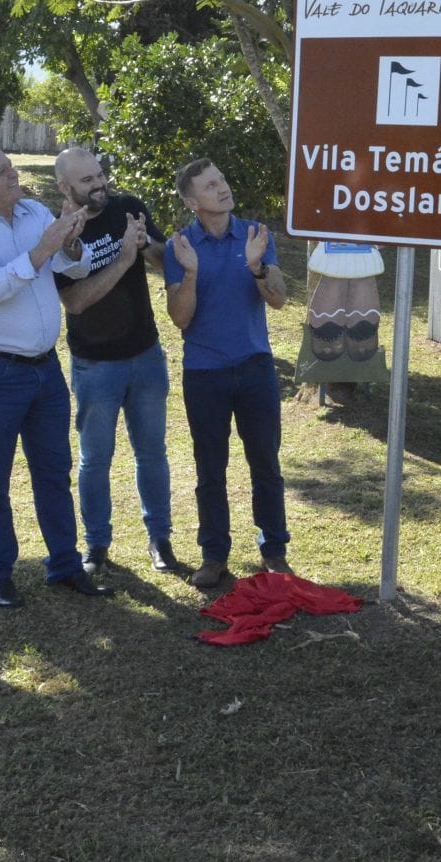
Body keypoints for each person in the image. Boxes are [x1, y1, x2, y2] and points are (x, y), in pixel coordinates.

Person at [0, 143, 112, 607]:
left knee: (54, 471)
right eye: (2, 172)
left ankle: (65, 565)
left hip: (45, 367)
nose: (14, 174)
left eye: (11, 166)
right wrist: (43, 249)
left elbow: (72, 265)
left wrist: (71, 242)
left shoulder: (35, 211)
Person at [165, 158, 291, 589]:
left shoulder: (256, 234)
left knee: (265, 464)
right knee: (210, 470)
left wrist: (258, 267)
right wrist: (191, 272)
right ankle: (214, 555)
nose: (222, 188)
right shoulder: (180, 246)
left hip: (255, 368)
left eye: (222, 179)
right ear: (191, 202)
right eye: (210, 185)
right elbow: (180, 318)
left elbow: (279, 299)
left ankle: (274, 551)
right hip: (204, 374)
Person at [52, 147, 177, 576]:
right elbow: (76, 301)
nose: (99, 185)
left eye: (100, 175)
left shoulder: (128, 208)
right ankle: (97, 545)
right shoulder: (61, 233)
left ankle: (160, 539)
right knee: (95, 460)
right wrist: (123, 258)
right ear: (64, 187)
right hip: (95, 364)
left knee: (152, 453)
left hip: (145, 354)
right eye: (87, 181)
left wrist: (144, 245)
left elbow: (166, 262)